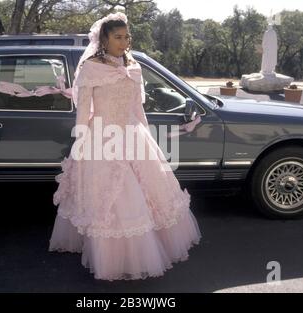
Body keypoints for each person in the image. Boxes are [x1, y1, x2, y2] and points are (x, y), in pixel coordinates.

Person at [49, 11, 202, 281]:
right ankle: (112, 256)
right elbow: (83, 109)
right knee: (113, 195)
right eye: (117, 37)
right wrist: (82, 141)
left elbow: (137, 107)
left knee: (149, 190)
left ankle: (151, 247)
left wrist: (147, 136)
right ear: (103, 39)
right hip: (103, 136)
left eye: (126, 36)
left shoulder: (134, 67)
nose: (123, 41)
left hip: (134, 134)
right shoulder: (90, 68)